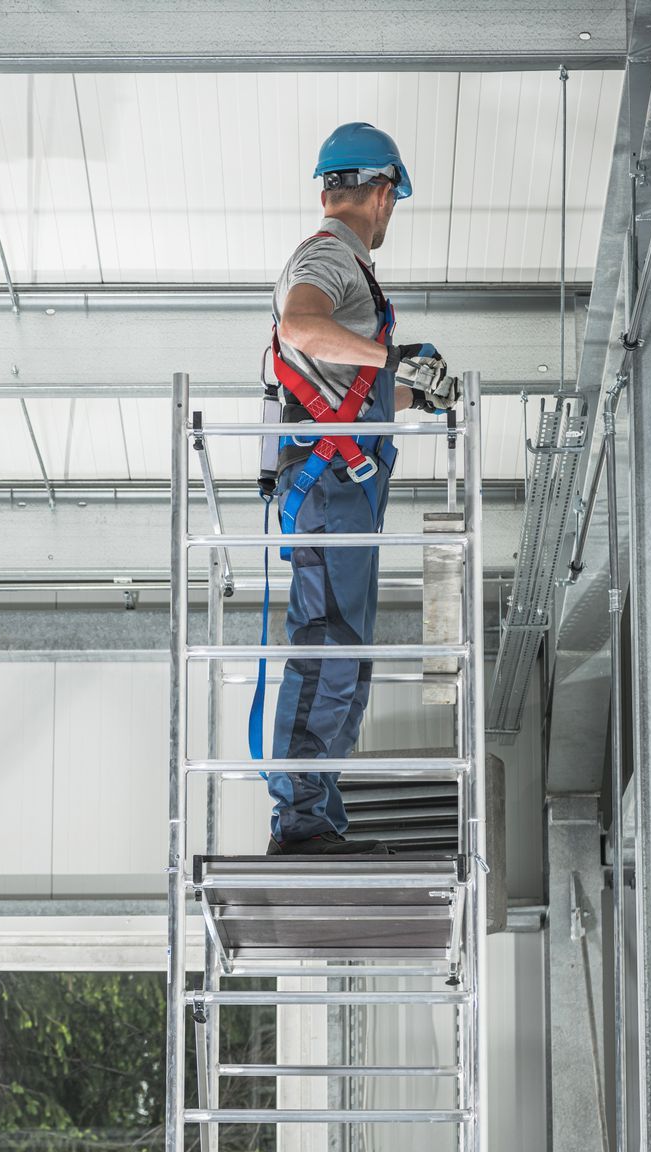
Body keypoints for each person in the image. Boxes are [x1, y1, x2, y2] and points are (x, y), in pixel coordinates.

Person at [263, 122, 459, 856]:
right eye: (391, 199)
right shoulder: (328, 258)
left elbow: (348, 390)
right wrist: (393, 356)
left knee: (347, 651)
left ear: (327, 187)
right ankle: (301, 821)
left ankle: (315, 815)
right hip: (332, 487)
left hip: (343, 484)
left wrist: (412, 395)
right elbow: (301, 328)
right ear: (381, 193)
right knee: (330, 648)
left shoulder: (346, 269)